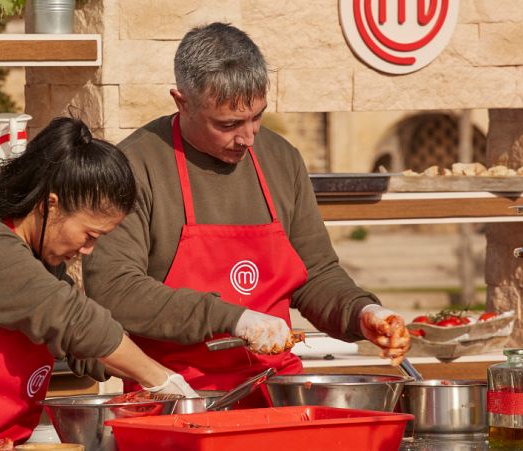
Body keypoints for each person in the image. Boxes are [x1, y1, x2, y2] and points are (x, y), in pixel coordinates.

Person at [82, 23, 410, 406]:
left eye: (257, 117)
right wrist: (233, 318)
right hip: (175, 395)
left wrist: (362, 312)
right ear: (181, 101)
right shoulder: (135, 165)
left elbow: (315, 272)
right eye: (228, 124)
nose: (248, 137)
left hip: (277, 392)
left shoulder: (281, 159)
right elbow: (115, 289)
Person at [0, 117, 198, 445]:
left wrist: (158, 375)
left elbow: (83, 346)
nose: (87, 250)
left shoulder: (40, 259)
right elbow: (74, 320)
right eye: (89, 235)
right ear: (50, 205)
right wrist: (159, 378)